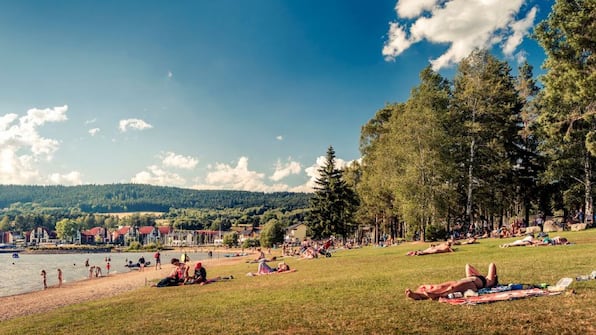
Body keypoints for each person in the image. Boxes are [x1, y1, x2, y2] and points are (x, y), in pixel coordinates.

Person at [405, 263, 498, 300]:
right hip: (465, 281)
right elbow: (468, 266)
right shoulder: (479, 277)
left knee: (451, 289)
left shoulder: (489, 281)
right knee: (440, 286)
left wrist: (492, 278)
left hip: (473, 285)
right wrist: (477, 275)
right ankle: (417, 295)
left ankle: (436, 295)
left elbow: (492, 264)